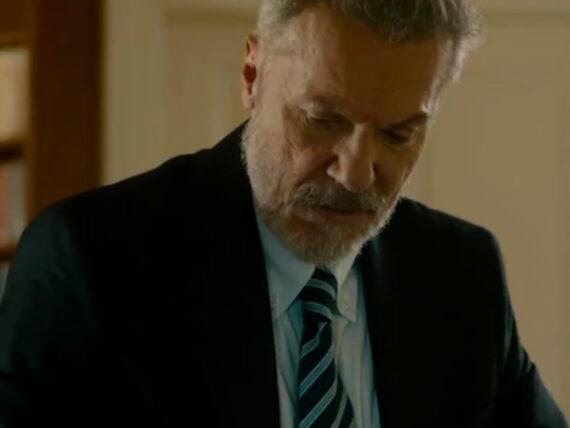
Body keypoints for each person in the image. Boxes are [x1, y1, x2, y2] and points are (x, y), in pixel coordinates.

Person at [0, 0, 567, 427]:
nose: (355, 175)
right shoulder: (91, 263)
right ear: (252, 75)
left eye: (398, 135)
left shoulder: (461, 275)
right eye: (323, 120)